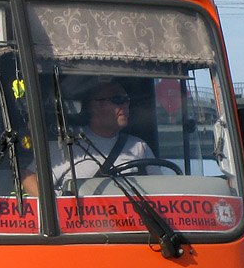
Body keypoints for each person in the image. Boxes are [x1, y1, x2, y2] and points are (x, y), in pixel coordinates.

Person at [22, 79, 159, 193]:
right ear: (95, 106)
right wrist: (59, 210)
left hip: (132, 223)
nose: (125, 105)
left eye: (126, 100)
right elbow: (29, 179)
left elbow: (161, 190)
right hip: (83, 223)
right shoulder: (67, 145)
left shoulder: (139, 146)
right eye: (117, 100)